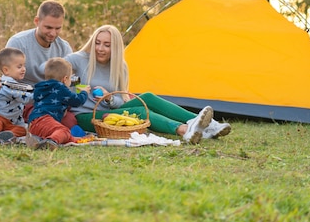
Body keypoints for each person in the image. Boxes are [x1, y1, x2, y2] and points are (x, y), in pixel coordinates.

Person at [64, 25, 232, 144]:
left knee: (148, 97)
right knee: (139, 111)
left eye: (107, 45)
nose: (100, 48)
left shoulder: (119, 66)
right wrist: (72, 82)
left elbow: (122, 100)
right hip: (87, 117)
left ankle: (208, 125)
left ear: (115, 47)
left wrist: (109, 98)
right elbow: (49, 68)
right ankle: (184, 130)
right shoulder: (79, 59)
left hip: (112, 111)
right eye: (97, 43)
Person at [6, 0, 75, 126]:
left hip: (54, 103)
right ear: (37, 21)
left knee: (70, 122)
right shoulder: (18, 43)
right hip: (26, 102)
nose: (53, 33)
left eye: (58, 28)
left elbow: (68, 84)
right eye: (48, 27)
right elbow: (9, 83)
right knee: (45, 120)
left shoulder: (64, 48)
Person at [27, 57, 90, 150]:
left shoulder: (40, 87)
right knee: (63, 130)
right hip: (45, 120)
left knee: (60, 132)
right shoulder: (60, 88)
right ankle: (51, 142)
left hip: (33, 122)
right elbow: (77, 101)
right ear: (65, 79)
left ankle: (38, 139)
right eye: (70, 78)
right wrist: (84, 92)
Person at [0, 47, 33, 141]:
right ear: (6, 70)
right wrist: (38, 95)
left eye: (24, 66)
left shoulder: (16, 84)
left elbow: (19, 108)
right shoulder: (8, 83)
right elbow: (23, 97)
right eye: (19, 67)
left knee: (22, 131)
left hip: (11, 122)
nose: (23, 69)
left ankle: (2, 136)